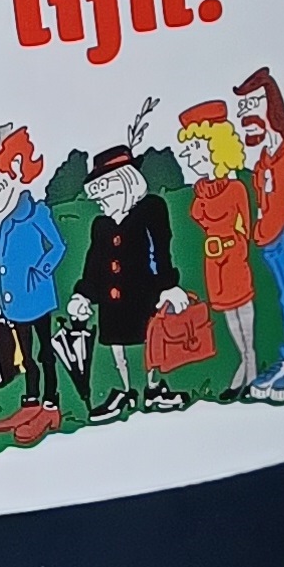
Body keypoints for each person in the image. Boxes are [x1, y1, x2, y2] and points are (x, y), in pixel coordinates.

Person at [67, 138, 193, 422]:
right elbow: (94, 261)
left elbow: (160, 249)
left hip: (143, 291)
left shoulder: (151, 210)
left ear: (126, 182)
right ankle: (124, 390)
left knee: (152, 340)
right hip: (111, 297)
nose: (99, 199)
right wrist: (83, 294)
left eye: (104, 189)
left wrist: (167, 285)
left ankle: (153, 387)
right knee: (116, 344)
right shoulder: (101, 224)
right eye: (96, 192)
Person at [0, 121, 71, 445]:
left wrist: (40, 272)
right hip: (13, 303)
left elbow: (58, 246)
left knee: (44, 352)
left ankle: (51, 406)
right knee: (25, 356)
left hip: (36, 297)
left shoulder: (33, 212)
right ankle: (30, 403)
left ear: (13, 170)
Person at [235, 67, 284, 403]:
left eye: (251, 105)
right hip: (265, 236)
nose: (246, 117)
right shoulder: (262, 162)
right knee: (278, 295)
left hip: (281, 234)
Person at [176, 100, 258, 399]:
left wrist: (237, 251)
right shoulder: (200, 191)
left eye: (195, 148)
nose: (189, 156)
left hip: (233, 254)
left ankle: (250, 362)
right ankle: (244, 360)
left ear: (216, 147)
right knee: (228, 314)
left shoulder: (235, 188)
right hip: (212, 260)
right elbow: (198, 216)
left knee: (243, 307)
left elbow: (245, 225)